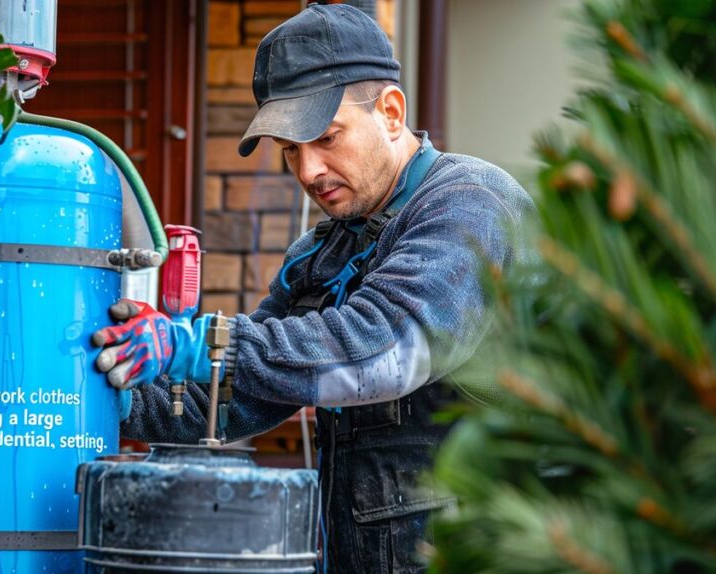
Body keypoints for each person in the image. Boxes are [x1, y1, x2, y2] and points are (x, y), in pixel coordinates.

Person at [92, 4, 534, 572]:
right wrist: (112, 387)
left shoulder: (470, 205)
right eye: (291, 150)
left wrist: (200, 344)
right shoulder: (319, 254)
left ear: (392, 113)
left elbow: (385, 351)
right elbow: (229, 398)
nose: (307, 171)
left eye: (326, 137)